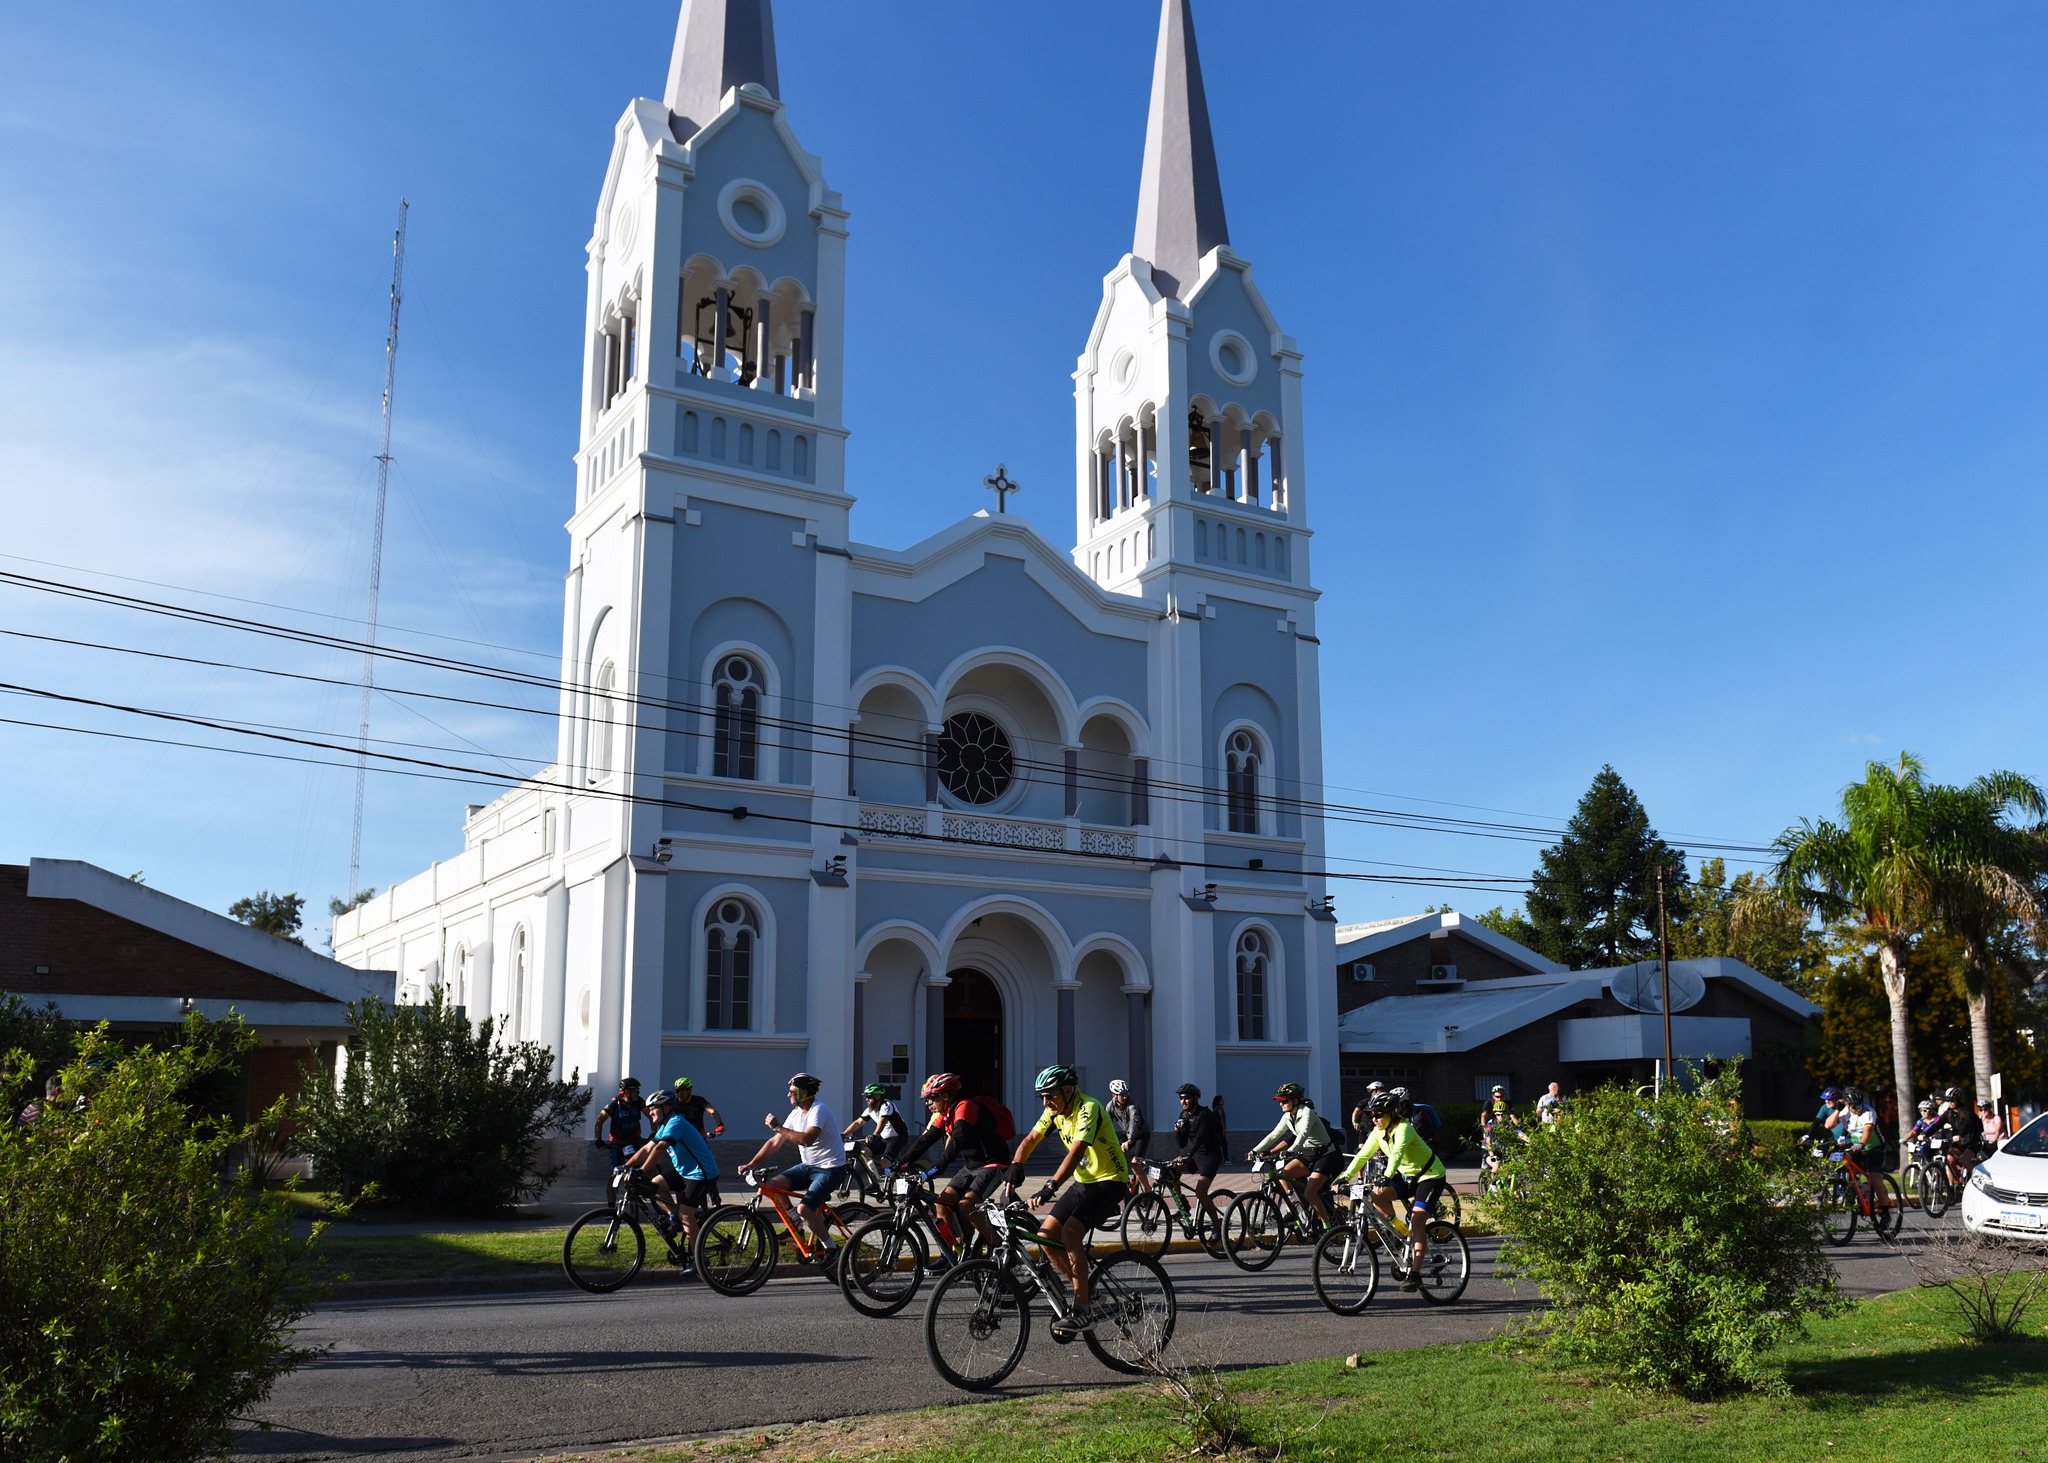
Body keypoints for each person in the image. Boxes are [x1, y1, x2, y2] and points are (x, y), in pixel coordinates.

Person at [1008, 1064, 1129, 1338]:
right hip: (1084, 1182)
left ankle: (1082, 1309)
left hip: (1111, 1180)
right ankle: (1087, 1290)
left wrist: (1050, 1187)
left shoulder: (1089, 1107)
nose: (1045, 1102)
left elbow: (1076, 1153)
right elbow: (1031, 1138)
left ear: (1068, 1091)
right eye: (1042, 1096)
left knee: (1070, 1233)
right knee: (1045, 1237)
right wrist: (1016, 1164)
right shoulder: (1055, 1112)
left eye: (1050, 1095)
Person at [1340, 1091, 1449, 1290]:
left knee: (1417, 1220)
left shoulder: (1404, 1128)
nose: (1375, 1119)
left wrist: (1387, 1176)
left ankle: (1415, 1275)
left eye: (1379, 1114)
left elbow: (1397, 1154)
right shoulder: (1378, 1132)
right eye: (1372, 1115)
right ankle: (1401, 1232)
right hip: (1407, 1176)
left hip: (1430, 1175)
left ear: (1392, 1113)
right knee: (1377, 1196)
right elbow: (1363, 1155)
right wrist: (1344, 1177)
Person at [896, 1072, 1009, 1252]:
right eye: (927, 1099)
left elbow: (957, 1139)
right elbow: (926, 1140)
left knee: (966, 1205)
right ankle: (955, 1252)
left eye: (933, 1097)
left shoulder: (965, 1107)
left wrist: (938, 1168)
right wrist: (899, 1162)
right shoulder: (945, 1114)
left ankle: (999, 1247)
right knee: (941, 1204)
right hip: (971, 1166)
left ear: (947, 1095)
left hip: (994, 1163)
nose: (928, 1103)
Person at [743, 1072, 848, 1264]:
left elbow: (807, 1139)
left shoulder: (818, 1110)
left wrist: (778, 1127)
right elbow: (775, 1142)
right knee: (774, 1184)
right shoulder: (797, 1113)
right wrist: (752, 1163)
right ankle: (795, 1225)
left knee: (805, 1209)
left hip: (830, 1169)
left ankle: (831, 1248)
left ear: (804, 1093)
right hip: (809, 1166)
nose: (788, 1095)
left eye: (792, 1092)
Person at [624, 1087, 720, 1267]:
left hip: (701, 1173)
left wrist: (641, 1171)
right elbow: (647, 1148)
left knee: (686, 1215)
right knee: (655, 1185)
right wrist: (626, 1166)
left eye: (653, 1108)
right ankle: (674, 1217)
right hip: (685, 1171)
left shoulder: (676, 1123)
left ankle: (699, 1260)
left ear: (666, 1108)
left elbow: (660, 1148)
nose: (650, 1112)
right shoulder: (665, 1125)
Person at [1248, 1082, 1339, 1228]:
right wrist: (1255, 1150)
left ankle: (1327, 1226)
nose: (1281, 1104)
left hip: (1325, 1155)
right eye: (1280, 1101)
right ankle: (1295, 1208)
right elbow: (1274, 1135)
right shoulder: (1288, 1116)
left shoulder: (1307, 1113)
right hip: (1308, 1154)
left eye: (1284, 1101)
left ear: (1295, 1101)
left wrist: (1292, 1150)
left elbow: (1303, 1134)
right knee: (1282, 1175)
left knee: (1310, 1193)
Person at [1169, 1082, 1228, 1232]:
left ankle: (1217, 1225)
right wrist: (1177, 1132)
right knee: (1170, 1172)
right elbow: (1182, 1143)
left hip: (1210, 1157)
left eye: (1187, 1098)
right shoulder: (1183, 1115)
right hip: (1194, 1155)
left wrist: (1187, 1155)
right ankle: (1183, 1207)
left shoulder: (1205, 1115)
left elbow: (1199, 1138)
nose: (1183, 1101)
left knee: (1200, 1192)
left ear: (1196, 1098)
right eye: (1181, 1098)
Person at [842, 1082, 910, 1167]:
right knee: (864, 1153)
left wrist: (874, 1135)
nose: (867, 1099)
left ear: (877, 1096)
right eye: (866, 1097)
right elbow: (858, 1123)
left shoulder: (887, 1105)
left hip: (898, 1138)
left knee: (884, 1161)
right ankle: (873, 1175)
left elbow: (882, 1121)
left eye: (869, 1097)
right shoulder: (870, 1110)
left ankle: (893, 1176)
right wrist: (843, 1134)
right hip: (884, 1138)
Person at [593, 1076, 648, 1168]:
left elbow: (651, 1116)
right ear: (627, 1092)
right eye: (636, 1090)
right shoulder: (615, 1103)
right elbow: (599, 1121)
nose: (638, 1093)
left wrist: (653, 1132)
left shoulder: (639, 1101)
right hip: (617, 1143)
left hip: (635, 1141)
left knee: (645, 1166)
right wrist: (598, 1139)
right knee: (615, 1170)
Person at [1109, 1079, 1151, 1189]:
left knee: (1135, 1164)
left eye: (1126, 1093)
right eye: (1121, 1094)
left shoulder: (1132, 1105)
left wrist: (1129, 1140)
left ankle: (1148, 1190)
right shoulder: (1111, 1106)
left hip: (1141, 1134)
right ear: (1114, 1095)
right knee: (1113, 1154)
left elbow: (1133, 1121)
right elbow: (1105, 1122)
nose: (1125, 1097)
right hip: (1127, 1133)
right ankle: (1126, 1182)